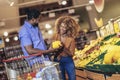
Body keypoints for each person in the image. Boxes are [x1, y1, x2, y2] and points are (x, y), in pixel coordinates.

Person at [53, 16, 80, 80]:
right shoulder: (56, 36)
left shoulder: (71, 39)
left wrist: (64, 48)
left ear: (69, 29)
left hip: (68, 60)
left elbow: (71, 54)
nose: (62, 28)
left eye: (64, 27)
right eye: (61, 26)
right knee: (61, 78)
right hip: (58, 60)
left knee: (72, 78)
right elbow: (52, 48)